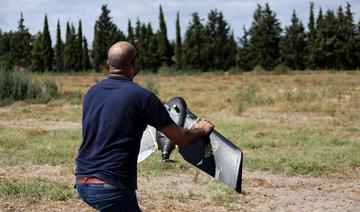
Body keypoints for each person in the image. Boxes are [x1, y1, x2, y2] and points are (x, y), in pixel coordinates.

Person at [75, 41, 214, 212]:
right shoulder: (143, 97)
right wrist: (202, 129)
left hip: (82, 181)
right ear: (135, 63)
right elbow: (181, 139)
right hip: (112, 187)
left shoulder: (92, 92)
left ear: (108, 65)